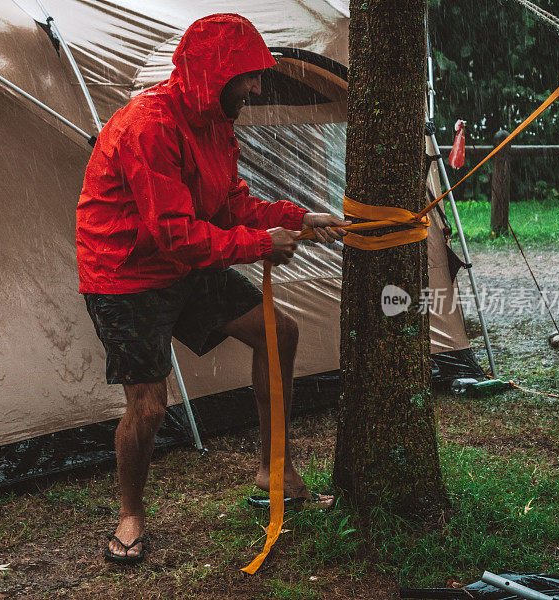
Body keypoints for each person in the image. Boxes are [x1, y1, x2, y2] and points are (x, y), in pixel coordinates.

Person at [76, 13, 351, 564]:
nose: (255, 88)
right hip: (124, 274)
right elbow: (174, 234)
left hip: (181, 263)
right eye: (248, 77)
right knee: (149, 407)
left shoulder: (215, 122)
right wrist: (258, 244)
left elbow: (230, 205)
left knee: (279, 333)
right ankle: (130, 515)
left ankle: (274, 470)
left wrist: (299, 217)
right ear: (215, 72)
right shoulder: (148, 126)